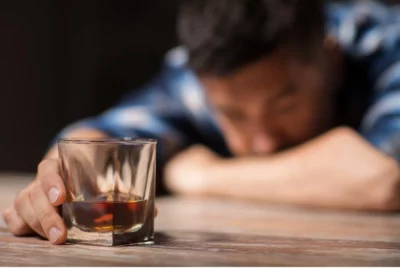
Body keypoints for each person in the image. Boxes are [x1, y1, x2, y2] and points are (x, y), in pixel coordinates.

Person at [3, 0, 400, 244]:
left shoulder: (387, 42)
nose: (262, 142)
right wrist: (60, 175)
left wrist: (200, 175)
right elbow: (103, 135)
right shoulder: (199, 71)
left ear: (331, 59)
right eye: (232, 115)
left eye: (285, 104)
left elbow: (383, 177)